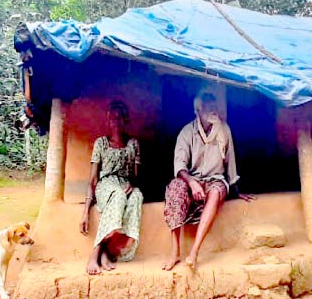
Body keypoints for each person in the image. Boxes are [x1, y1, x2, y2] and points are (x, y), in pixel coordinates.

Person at [163, 91, 254, 270]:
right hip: (193, 180)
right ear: (197, 111)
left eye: (214, 106)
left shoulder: (224, 130)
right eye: (208, 107)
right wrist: (192, 183)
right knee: (175, 187)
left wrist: (236, 190)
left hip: (215, 180)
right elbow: (179, 166)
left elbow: (230, 162)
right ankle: (175, 252)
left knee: (215, 191)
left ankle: (194, 252)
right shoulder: (187, 132)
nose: (213, 110)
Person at [80, 100, 143, 275]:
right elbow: (93, 179)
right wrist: (85, 211)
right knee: (118, 195)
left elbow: (137, 176)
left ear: (125, 119)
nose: (116, 120)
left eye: (119, 116)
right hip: (105, 186)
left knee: (137, 196)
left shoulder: (133, 144)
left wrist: (132, 185)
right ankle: (95, 254)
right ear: (107, 120)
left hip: (125, 184)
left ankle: (106, 253)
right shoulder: (101, 143)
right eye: (112, 117)